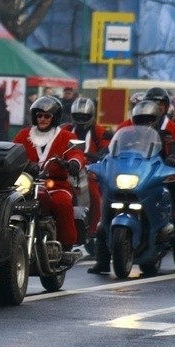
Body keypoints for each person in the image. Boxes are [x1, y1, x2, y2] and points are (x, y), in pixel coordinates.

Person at [92, 94, 175, 274]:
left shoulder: (167, 133)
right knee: (104, 216)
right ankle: (101, 260)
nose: (144, 122)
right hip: (130, 174)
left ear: (155, 119)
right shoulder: (126, 130)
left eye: (148, 119)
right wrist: (101, 157)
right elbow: (112, 146)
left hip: (156, 174)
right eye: (140, 119)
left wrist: (172, 159)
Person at [13, 96, 85, 251]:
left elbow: (76, 153)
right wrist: (23, 165)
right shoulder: (23, 135)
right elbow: (13, 153)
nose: (42, 119)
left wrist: (72, 163)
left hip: (56, 185)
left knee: (62, 203)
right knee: (8, 204)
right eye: (39, 115)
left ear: (54, 117)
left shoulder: (67, 136)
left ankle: (65, 246)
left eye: (47, 116)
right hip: (27, 186)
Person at [61, 97, 110, 241]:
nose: (81, 119)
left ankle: (95, 226)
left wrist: (98, 154)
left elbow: (107, 146)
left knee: (94, 192)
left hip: (92, 168)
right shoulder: (66, 129)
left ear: (92, 116)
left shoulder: (98, 130)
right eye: (77, 116)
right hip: (69, 167)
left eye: (85, 117)